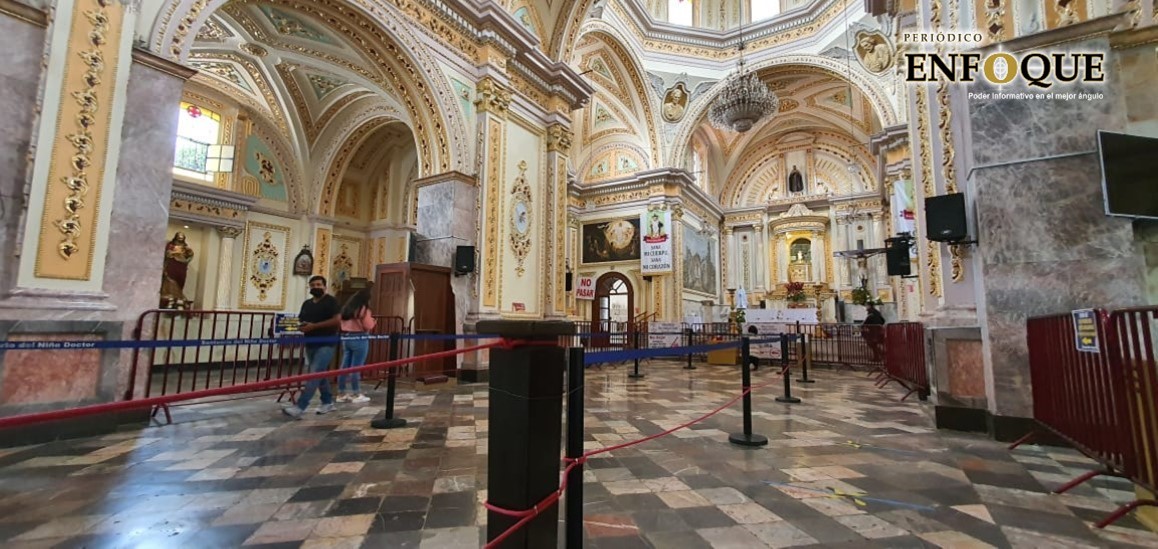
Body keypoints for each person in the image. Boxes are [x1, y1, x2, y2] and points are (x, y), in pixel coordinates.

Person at [283, 276, 341, 419]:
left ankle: (300, 406)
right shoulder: (307, 304)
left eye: (319, 284)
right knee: (320, 373)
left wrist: (314, 326)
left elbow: (337, 320)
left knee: (314, 373)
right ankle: (327, 402)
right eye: (313, 285)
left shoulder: (331, 301)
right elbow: (301, 319)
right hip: (310, 342)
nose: (316, 287)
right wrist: (302, 326)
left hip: (326, 342)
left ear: (325, 286)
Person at [337, 288, 375, 404]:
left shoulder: (347, 308)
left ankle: (341, 393)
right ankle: (356, 393)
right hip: (360, 337)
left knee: (344, 366)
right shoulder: (363, 309)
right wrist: (373, 321)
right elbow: (368, 325)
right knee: (356, 367)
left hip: (347, 337)